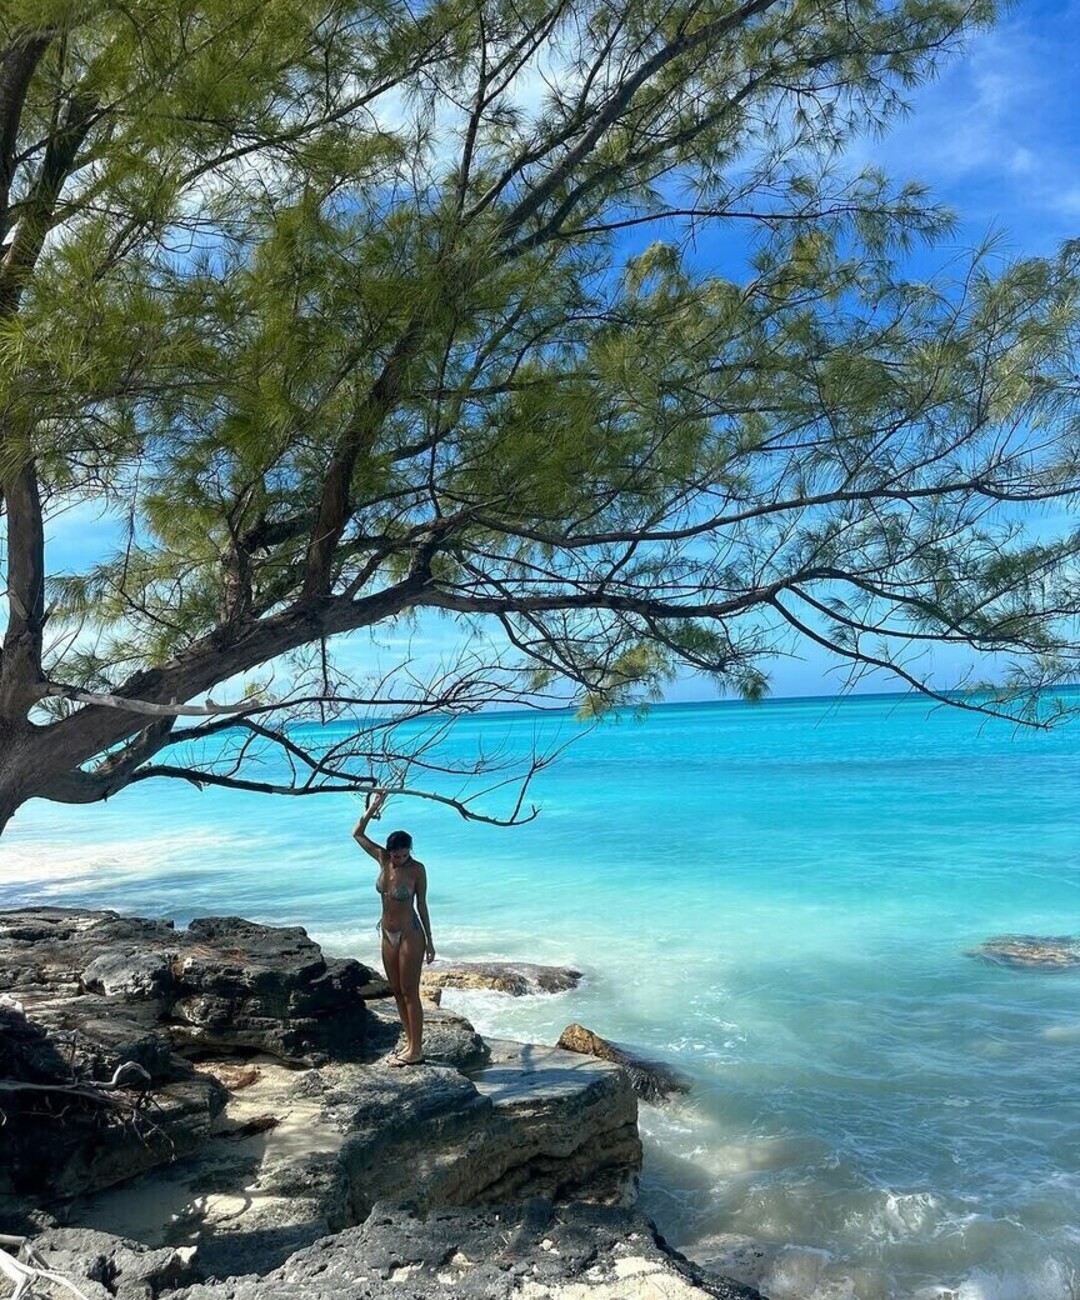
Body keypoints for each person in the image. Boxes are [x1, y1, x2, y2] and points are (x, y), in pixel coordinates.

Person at [352, 791, 436, 1065]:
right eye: (396, 855)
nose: (400, 858)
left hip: (411, 933)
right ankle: (410, 1044)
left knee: (410, 991)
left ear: (410, 850)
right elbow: (357, 834)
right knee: (396, 990)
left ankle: (416, 1050)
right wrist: (372, 808)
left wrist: (430, 941)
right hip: (387, 934)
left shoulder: (417, 870)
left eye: (404, 854)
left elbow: (422, 904)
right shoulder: (382, 859)